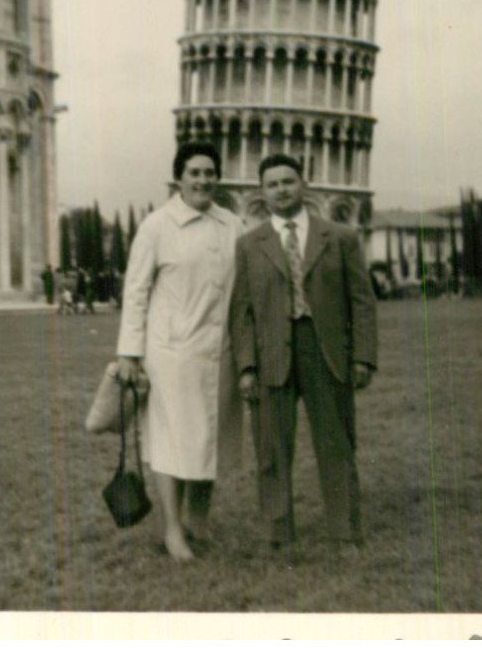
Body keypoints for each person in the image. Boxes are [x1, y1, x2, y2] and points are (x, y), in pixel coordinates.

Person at [229, 154, 377, 553]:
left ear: (304, 184)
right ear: (262, 192)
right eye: (272, 184)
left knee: (336, 443)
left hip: (325, 349)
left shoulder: (340, 238)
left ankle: (344, 529)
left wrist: (363, 356)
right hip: (271, 353)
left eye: (288, 181)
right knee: (272, 447)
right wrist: (246, 366)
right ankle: (276, 531)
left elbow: (362, 302)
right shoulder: (248, 245)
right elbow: (240, 312)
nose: (281, 190)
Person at [116, 141, 244, 562]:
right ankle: (172, 529)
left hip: (221, 351)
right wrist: (129, 353)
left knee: (209, 439)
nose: (203, 180)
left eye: (210, 172)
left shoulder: (232, 225)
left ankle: (198, 522)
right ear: (179, 178)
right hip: (171, 354)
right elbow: (135, 292)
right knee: (173, 441)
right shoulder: (156, 227)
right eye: (194, 173)